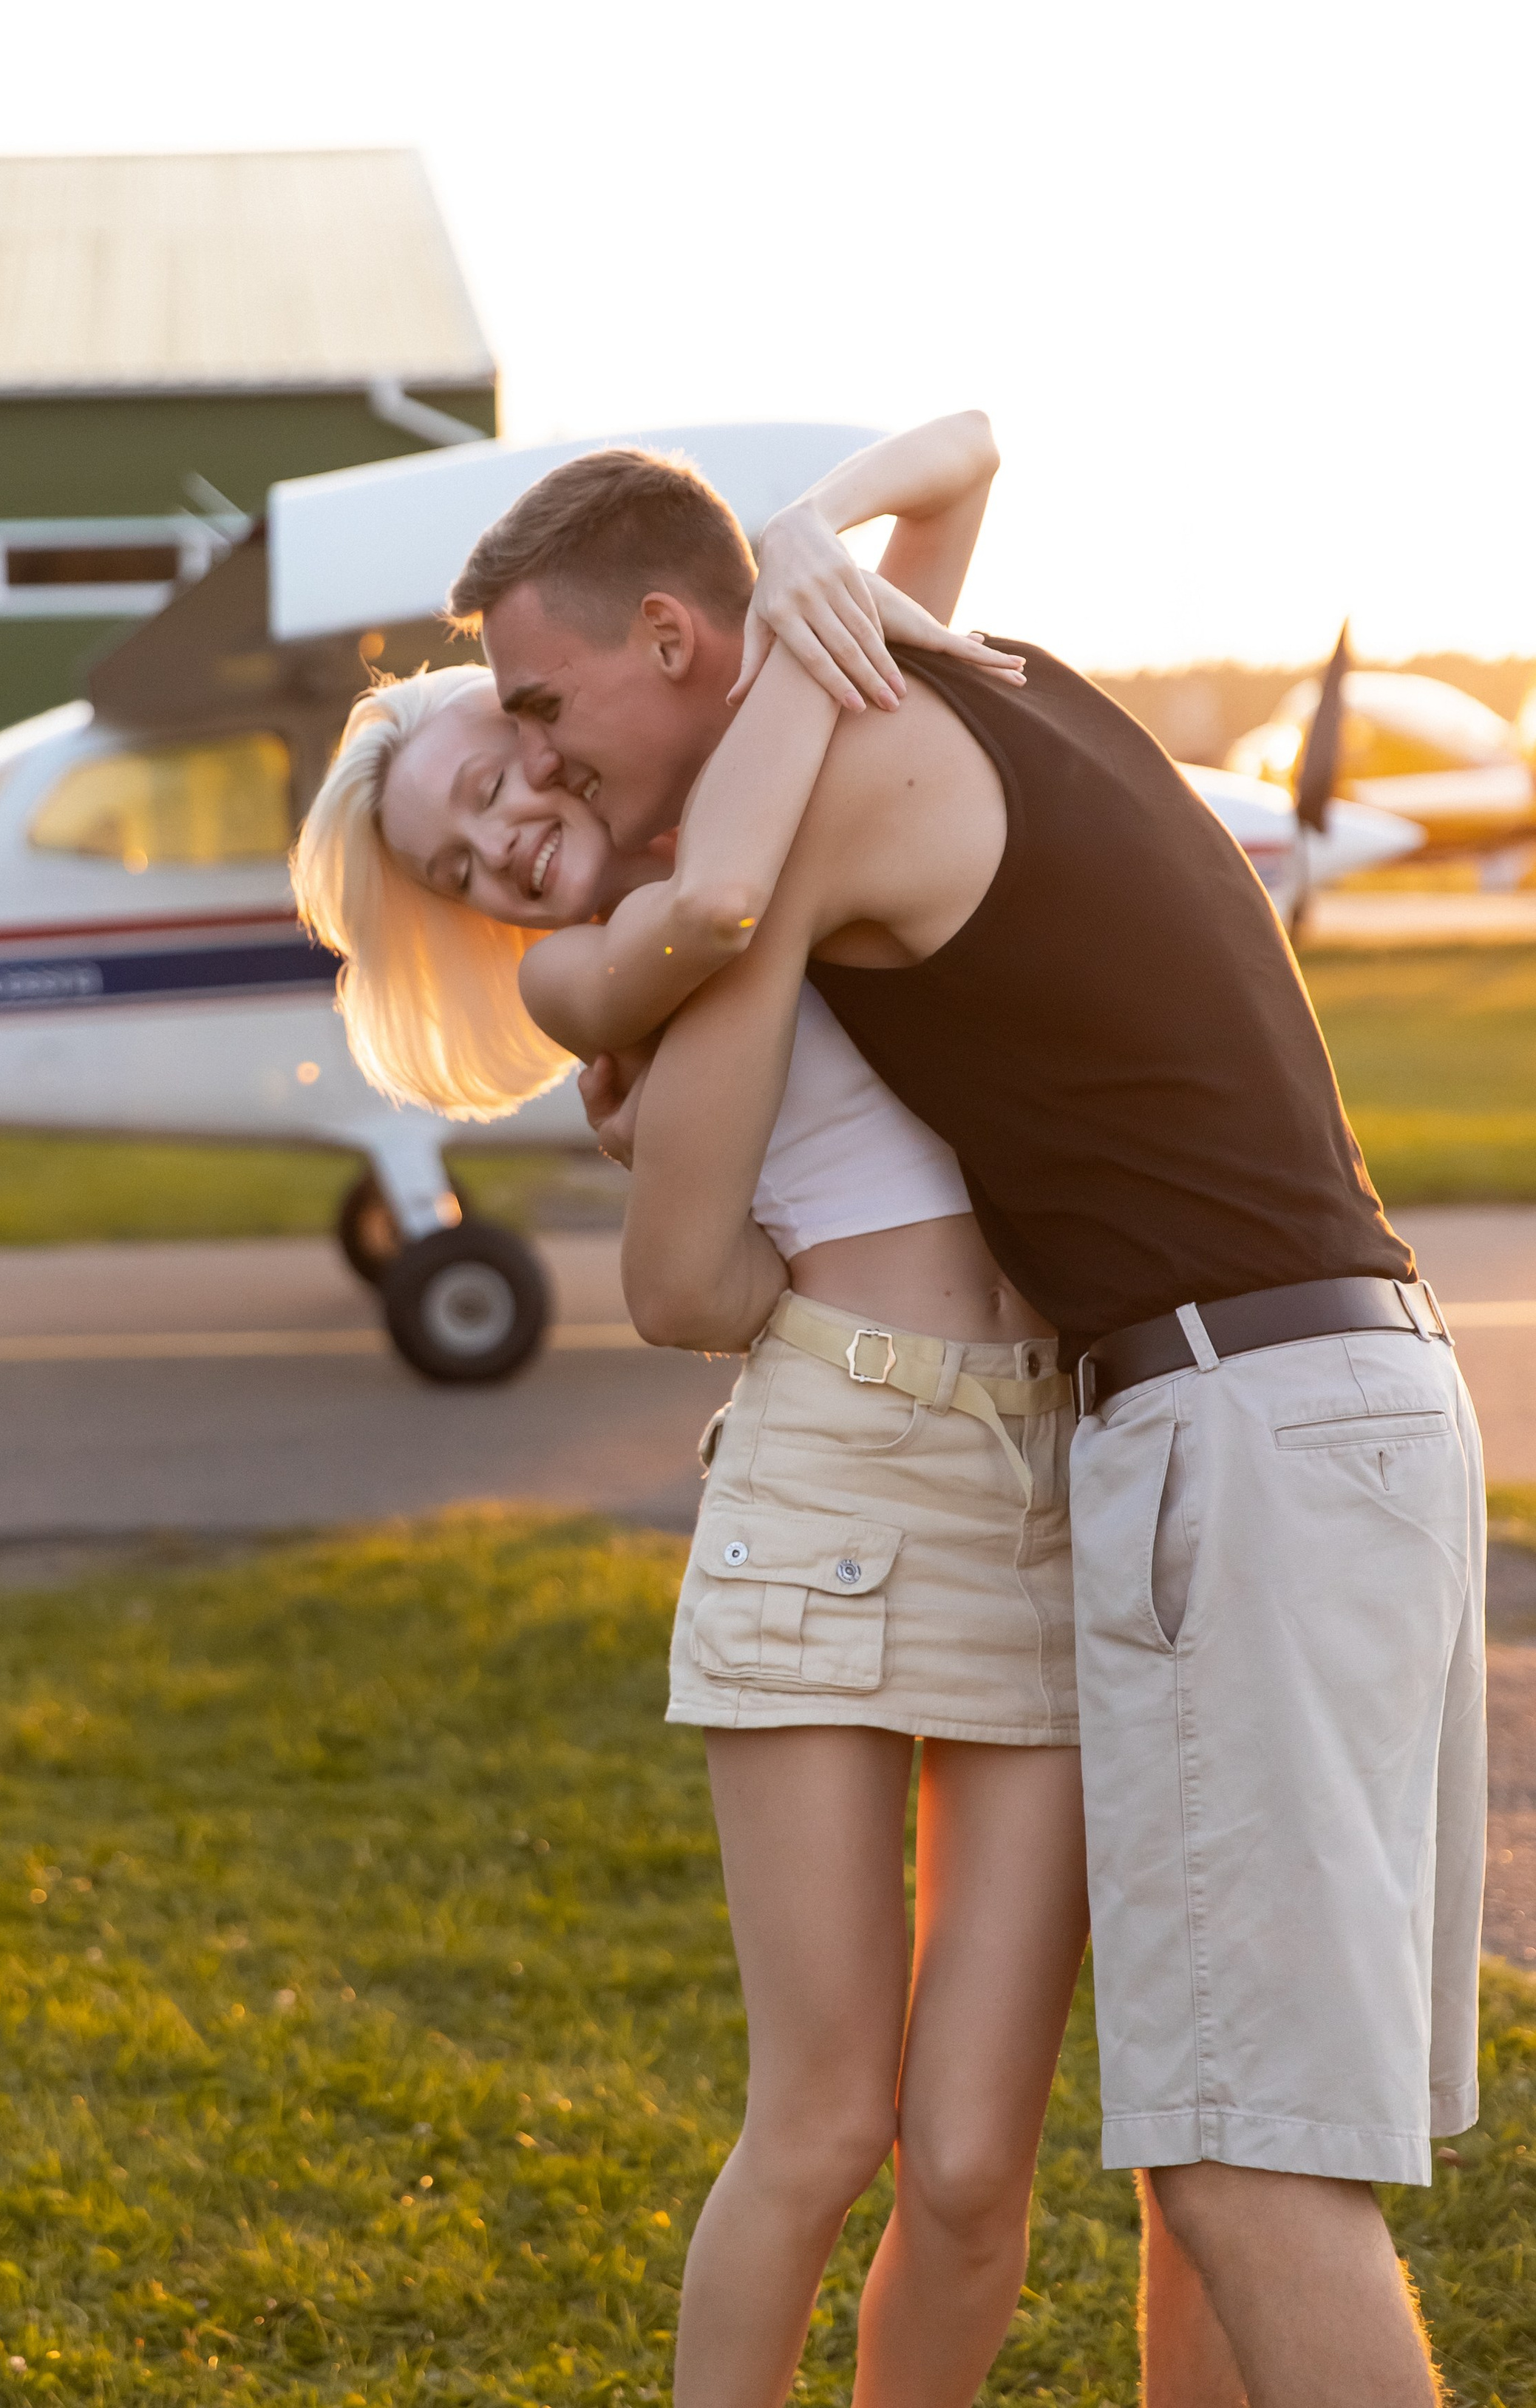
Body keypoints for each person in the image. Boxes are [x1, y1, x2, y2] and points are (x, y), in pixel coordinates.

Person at [452, 427, 1486, 2408]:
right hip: (1359, 1399)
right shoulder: (965, 667)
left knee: (1253, 2178)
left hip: (1234, 1432)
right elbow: (967, 446)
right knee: (1231, 2152)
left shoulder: (823, 761)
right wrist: (814, 535)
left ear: (676, 635)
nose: (538, 758)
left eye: (544, 702)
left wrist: (606, 1011)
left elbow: (685, 1194)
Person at [295, 418, 1101, 2406]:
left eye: (492, 768)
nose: (496, 834)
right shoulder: (611, 968)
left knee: (984, 2159)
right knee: (828, 2127)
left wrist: (817, 532)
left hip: (1047, 1475)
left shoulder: (789, 757)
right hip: (832, 1475)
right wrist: (818, 1333)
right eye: (455, 863)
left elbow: (974, 465)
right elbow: (691, 1285)